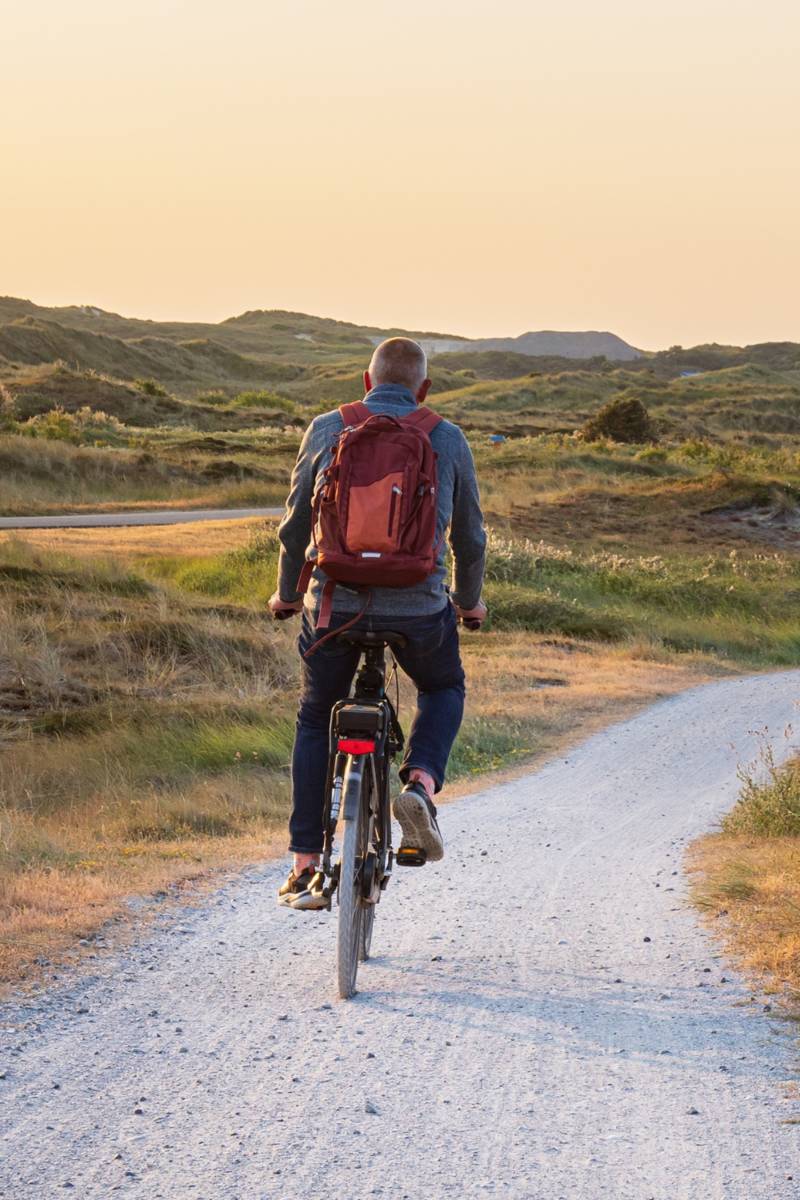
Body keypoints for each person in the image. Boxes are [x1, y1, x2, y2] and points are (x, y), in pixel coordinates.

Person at [269, 336, 487, 909]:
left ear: (367, 383)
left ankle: (305, 865)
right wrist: (468, 603)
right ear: (424, 389)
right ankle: (418, 785)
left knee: (317, 717)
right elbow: (469, 536)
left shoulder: (327, 427)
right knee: (442, 686)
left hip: (335, 606)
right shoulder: (446, 436)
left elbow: (295, 528)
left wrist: (289, 593)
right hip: (418, 609)